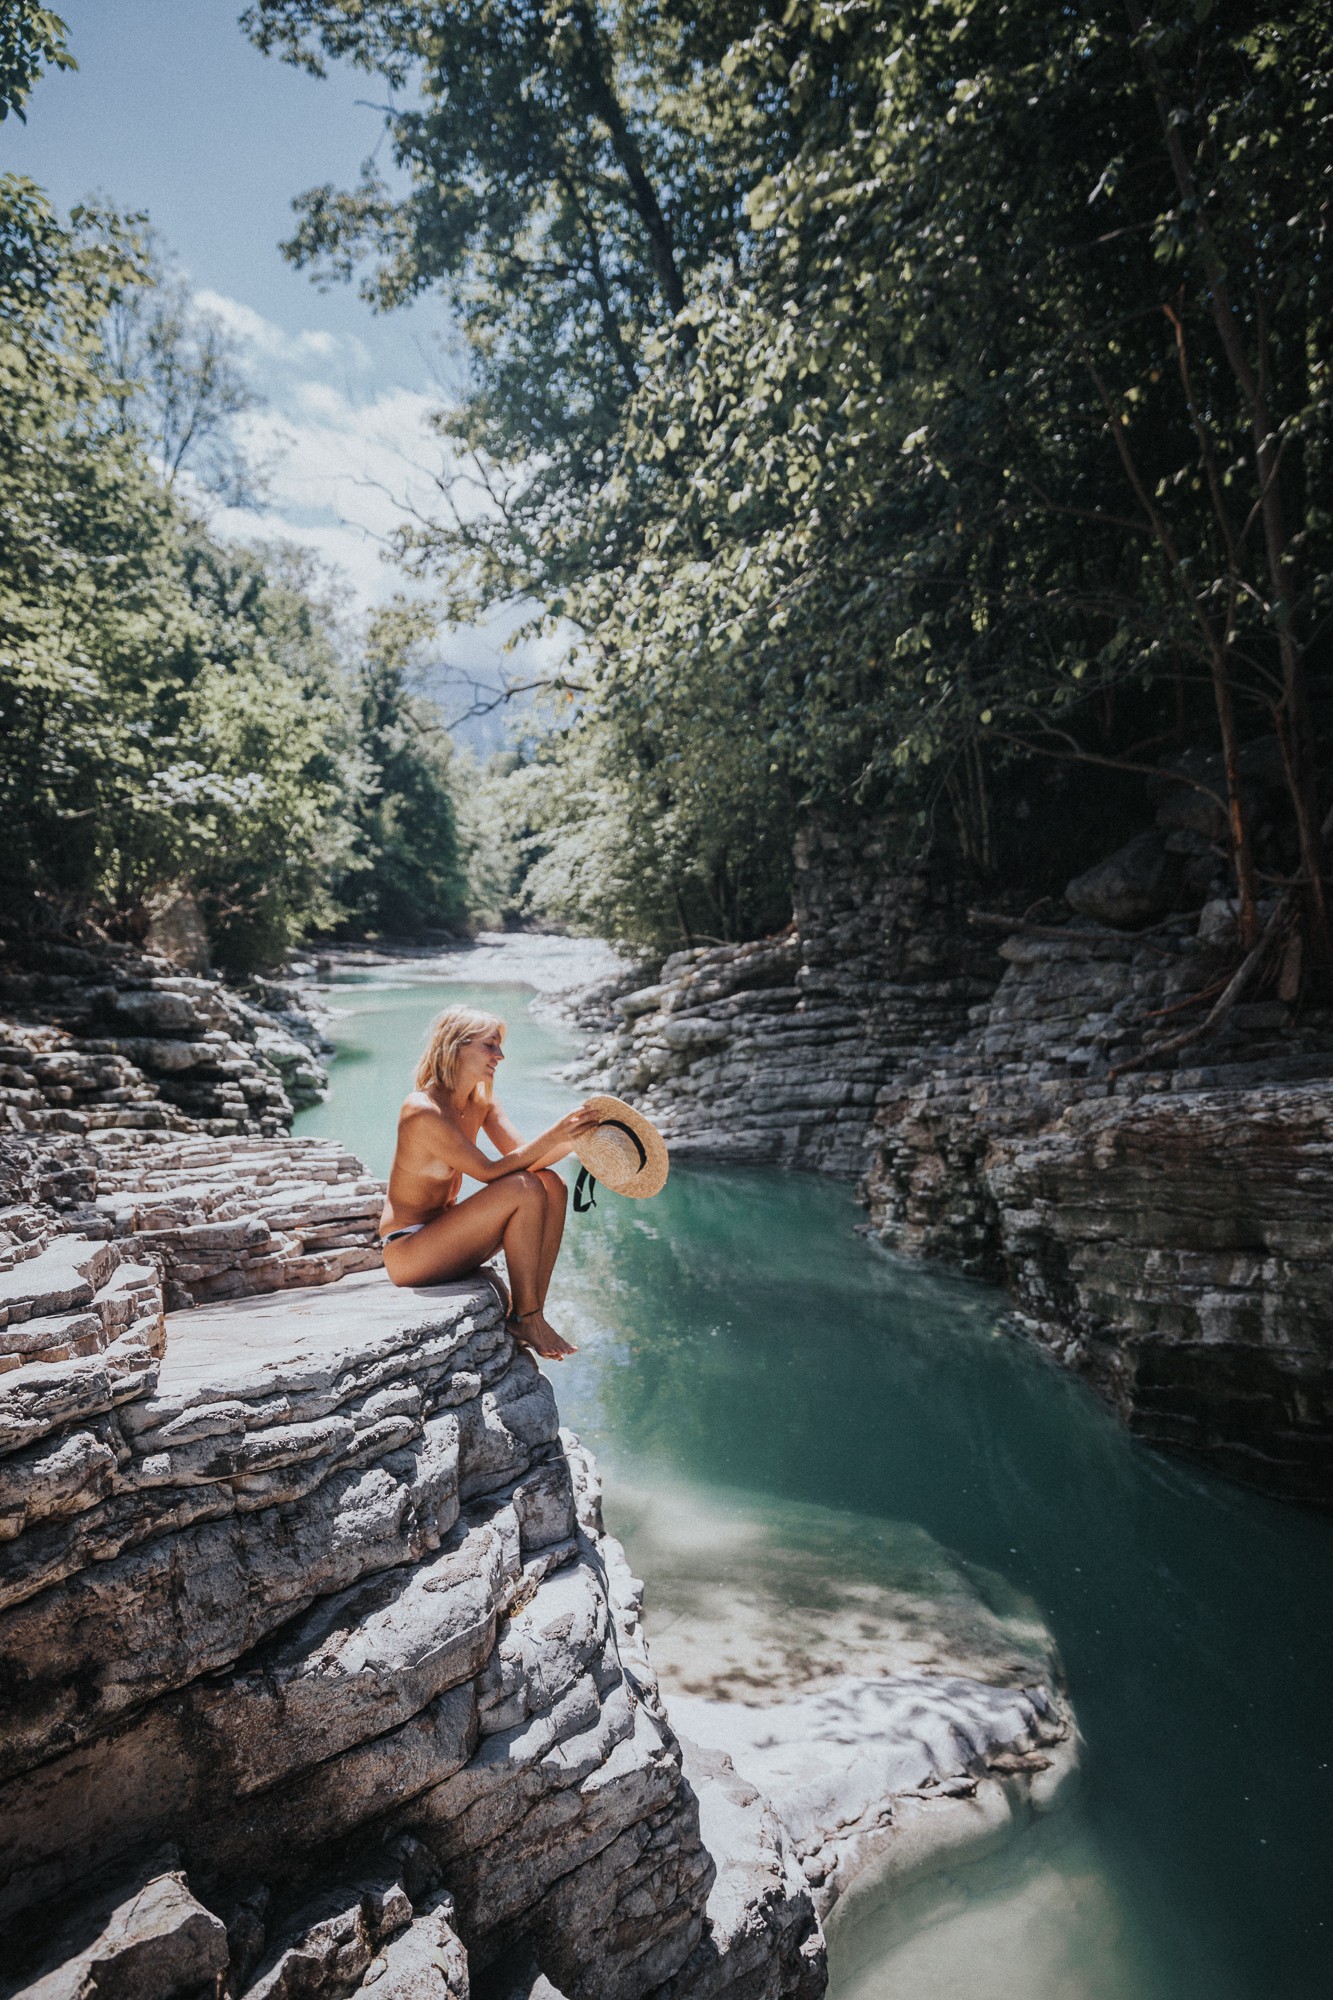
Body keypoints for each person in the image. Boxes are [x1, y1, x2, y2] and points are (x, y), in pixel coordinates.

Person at [378, 1005, 599, 1360]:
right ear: (455, 1047)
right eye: (490, 1046)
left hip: (447, 1238)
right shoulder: (421, 1110)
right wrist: (555, 1132)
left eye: (498, 1046)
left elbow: (527, 1157)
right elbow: (489, 1172)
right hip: (409, 1250)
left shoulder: (480, 1101)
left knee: (551, 1183)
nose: (500, 1055)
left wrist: (577, 1139)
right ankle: (529, 1315)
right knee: (523, 1188)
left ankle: (529, 1313)